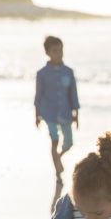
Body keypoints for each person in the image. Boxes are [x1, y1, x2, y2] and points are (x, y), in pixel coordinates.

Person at [35, 35, 80, 177]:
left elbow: (73, 94)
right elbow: (38, 96)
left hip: (66, 113)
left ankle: (58, 157)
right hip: (49, 113)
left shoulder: (68, 72)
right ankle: (57, 172)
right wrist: (37, 115)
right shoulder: (42, 74)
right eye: (55, 51)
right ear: (47, 53)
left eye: (61, 50)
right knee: (54, 139)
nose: (58, 54)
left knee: (69, 143)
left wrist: (76, 114)